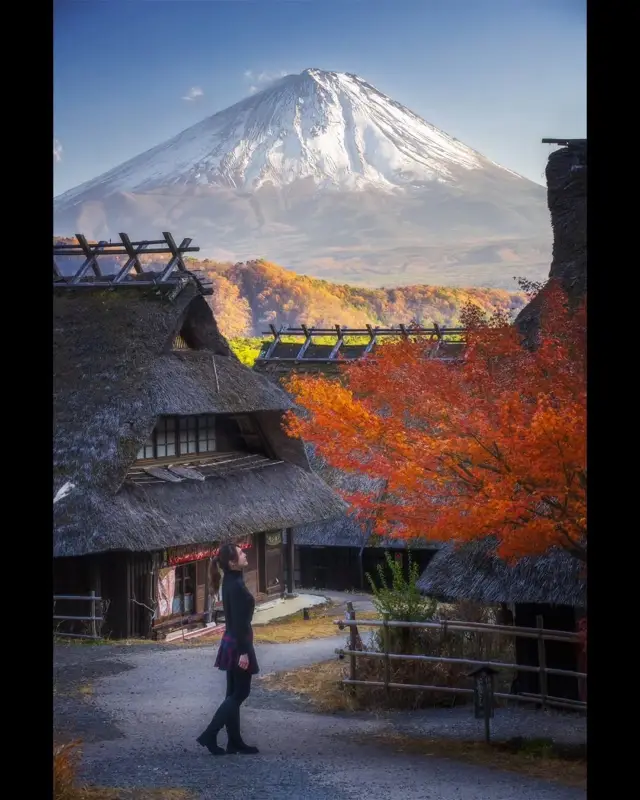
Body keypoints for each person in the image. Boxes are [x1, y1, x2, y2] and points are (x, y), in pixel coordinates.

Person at [197, 543, 260, 756]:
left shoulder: (230, 581)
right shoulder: (237, 586)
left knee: (232, 693)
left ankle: (235, 741)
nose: (245, 554)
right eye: (241, 553)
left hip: (231, 640)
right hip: (239, 643)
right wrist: (244, 652)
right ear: (233, 562)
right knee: (241, 692)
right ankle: (210, 734)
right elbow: (242, 622)